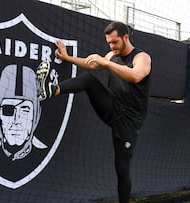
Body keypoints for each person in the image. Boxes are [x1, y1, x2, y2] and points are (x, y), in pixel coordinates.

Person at [36, 21, 151, 203]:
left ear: (126, 37)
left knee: (121, 168)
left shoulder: (141, 57)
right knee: (89, 79)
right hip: (111, 106)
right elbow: (91, 65)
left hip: (129, 120)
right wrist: (67, 57)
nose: (112, 46)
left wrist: (106, 62)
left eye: (115, 42)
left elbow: (136, 76)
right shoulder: (111, 55)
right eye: (109, 43)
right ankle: (50, 90)